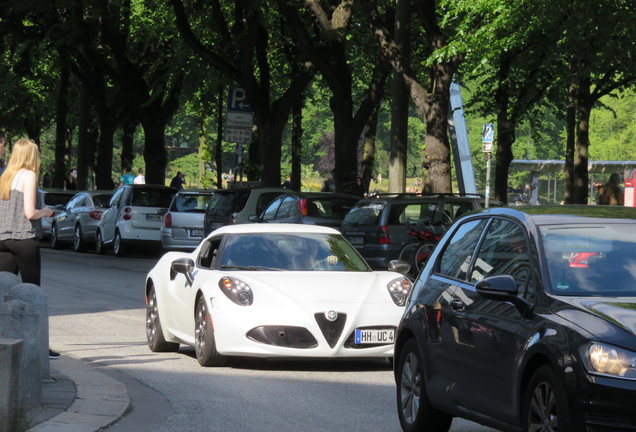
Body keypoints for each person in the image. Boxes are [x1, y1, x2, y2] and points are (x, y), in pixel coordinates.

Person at [0, 139, 59, 359]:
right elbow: (29, 213)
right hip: (23, 239)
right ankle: (40, 346)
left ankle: (5, 339)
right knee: (32, 293)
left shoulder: (5, 176)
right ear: (31, 156)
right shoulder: (29, 175)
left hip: (2, 239)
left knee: (3, 290)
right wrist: (46, 211)